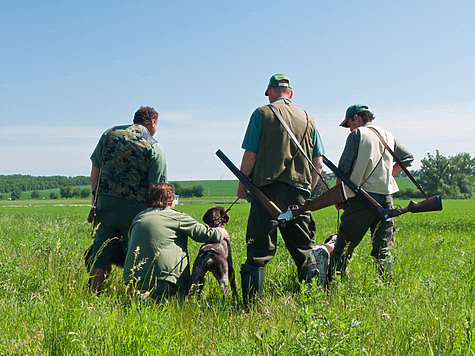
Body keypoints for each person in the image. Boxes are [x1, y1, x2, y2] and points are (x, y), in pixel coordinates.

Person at [237, 73, 325, 303]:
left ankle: (251, 307)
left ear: (270, 93)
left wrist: (243, 184)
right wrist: (308, 193)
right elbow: (318, 163)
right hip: (300, 191)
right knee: (304, 249)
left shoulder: (261, 114)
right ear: (291, 93)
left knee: (258, 250)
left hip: (266, 191)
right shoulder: (308, 118)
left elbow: (251, 155)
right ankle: (313, 302)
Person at [328, 104, 414, 283]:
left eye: (349, 123)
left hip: (361, 199)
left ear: (356, 118)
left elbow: (343, 168)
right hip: (386, 198)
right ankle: (385, 286)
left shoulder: (357, 134)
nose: (349, 128)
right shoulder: (388, 135)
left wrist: (339, 196)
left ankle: (332, 287)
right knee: (383, 249)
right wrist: (386, 174)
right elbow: (407, 158)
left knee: (343, 247)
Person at [88, 106, 167, 291]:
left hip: (105, 203)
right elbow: (158, 188)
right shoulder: (153, 145)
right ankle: (132, 296)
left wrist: (95, 196)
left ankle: (93, 292)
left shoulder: (110, 134)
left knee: (100, 250)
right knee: (135, 253)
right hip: (135, 209)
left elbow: (95, 167)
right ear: (153, 123)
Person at [123, 183, 229, 300]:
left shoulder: (139, 217)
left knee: (146, 299)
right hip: (166, 278)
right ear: (171, 200)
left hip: (133, 278)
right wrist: (220, 233)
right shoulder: (176, 217)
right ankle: (154, 298)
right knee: (167, 300)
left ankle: (142, 296)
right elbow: (202, 233)